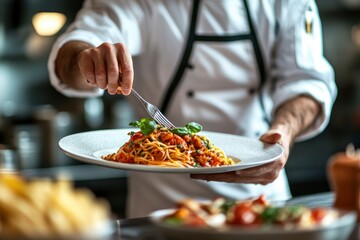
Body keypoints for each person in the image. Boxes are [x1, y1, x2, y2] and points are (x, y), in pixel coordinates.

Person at [48, 0, 337, 218]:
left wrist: (283, 133)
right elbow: (72, 53)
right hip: (161, 211)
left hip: (259, 204)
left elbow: (307, 82)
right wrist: (86, 61)